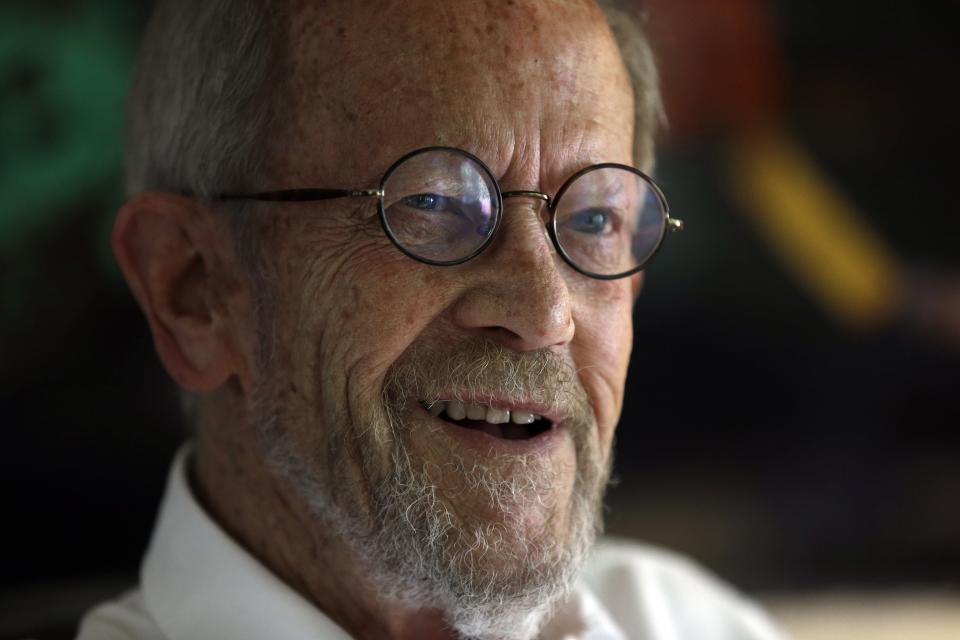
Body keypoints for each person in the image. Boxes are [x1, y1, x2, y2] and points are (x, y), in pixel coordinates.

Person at [79, 0, 785, 638]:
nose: (545, 314)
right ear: (194, 288)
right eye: (431, 205)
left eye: (595, 218)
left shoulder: (696, 622)